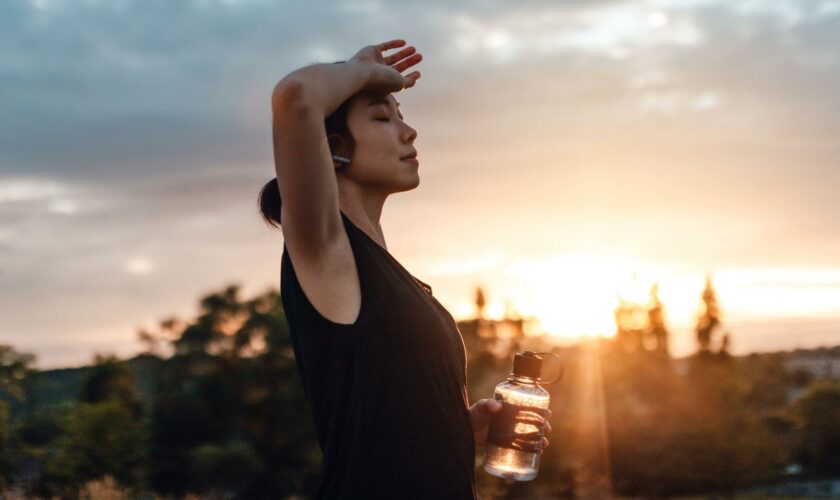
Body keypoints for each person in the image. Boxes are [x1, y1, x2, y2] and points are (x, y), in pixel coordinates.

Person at [257, 39, 551, 499]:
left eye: (401, 115)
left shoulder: (394, 279)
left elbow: (381, 425)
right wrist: (361, 70)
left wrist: (460, 433)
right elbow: (295, 96)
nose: (409, 132)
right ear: (335, 148)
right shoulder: (327, 248)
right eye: (381, 117)